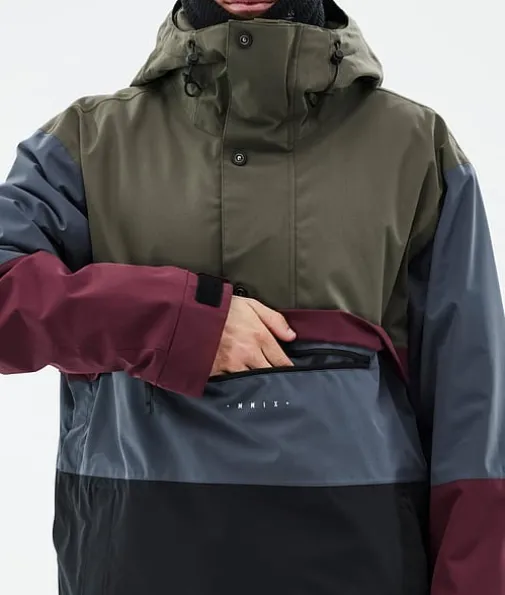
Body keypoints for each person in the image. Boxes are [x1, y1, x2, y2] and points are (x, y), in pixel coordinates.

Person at [0, 0, 503, 593]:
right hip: (140, 563)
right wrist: (173, 323)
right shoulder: (86, 142)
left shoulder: (416, 147)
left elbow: (473, 413)